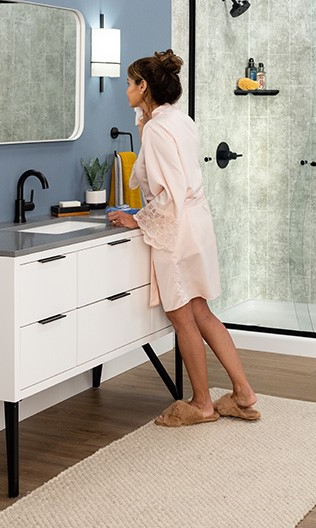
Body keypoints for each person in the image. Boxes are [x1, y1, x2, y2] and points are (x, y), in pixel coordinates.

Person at [107, 49, 259, 426]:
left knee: (183, 317)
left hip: (175, 228)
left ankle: (203, 404)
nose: (125, 89)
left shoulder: (157, 129)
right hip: (197, 222)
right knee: (201, 310)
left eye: (130, 83)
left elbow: (168, 193)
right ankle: (242, 393)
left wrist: (138, 221)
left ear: (144, 87)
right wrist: (143, 124)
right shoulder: (179, 120)